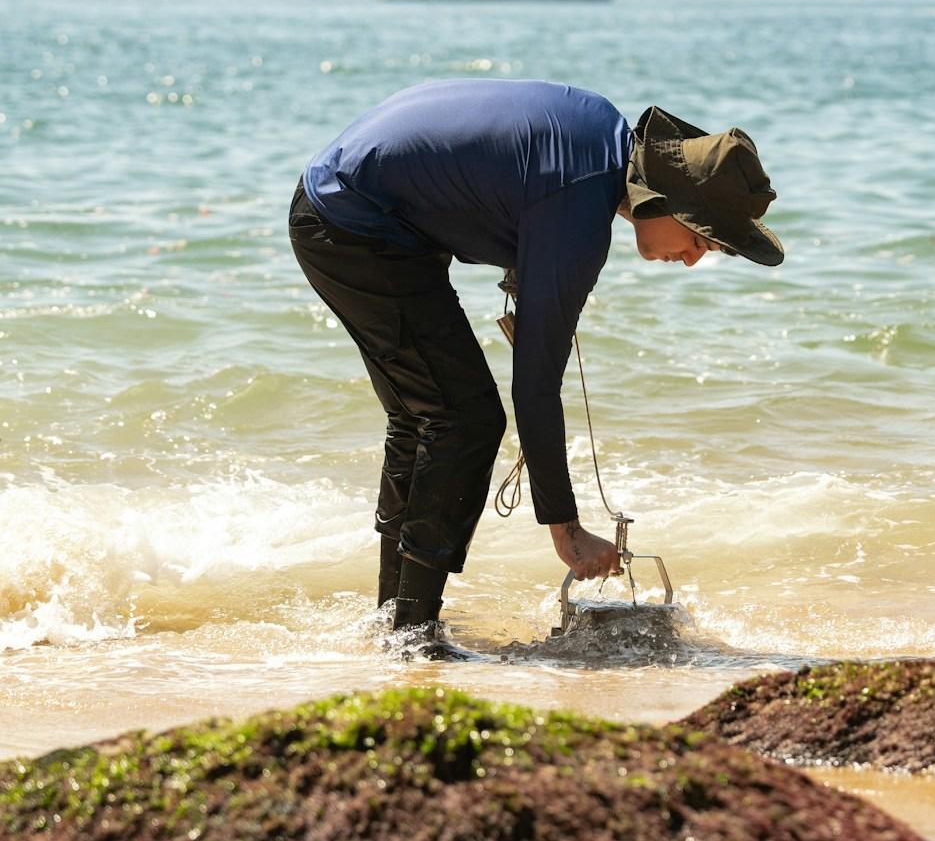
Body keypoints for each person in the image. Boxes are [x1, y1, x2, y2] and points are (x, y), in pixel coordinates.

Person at [288, 79, 782, 642]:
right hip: (351, 223)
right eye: (704, 239)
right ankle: (411, 636)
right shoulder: (579, 208)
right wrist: (566, 532)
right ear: (668, 200)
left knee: (425, 415)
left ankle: (392, 621)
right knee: (463, 420)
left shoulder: (601, 136)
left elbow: (509, 181)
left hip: (350, 205)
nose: (694, 259)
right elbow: (536, 388)